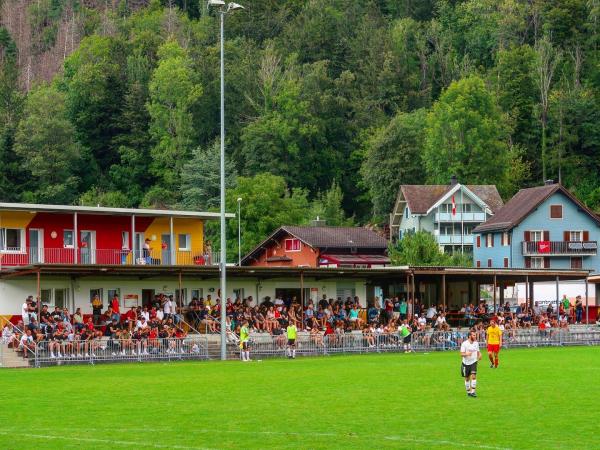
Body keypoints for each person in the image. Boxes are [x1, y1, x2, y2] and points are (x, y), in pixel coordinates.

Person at [460, 330, 481, 398]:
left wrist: (480, 355)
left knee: (474, 376)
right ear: (470, 336)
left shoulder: (476, 343)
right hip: (465, 363)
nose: (475, 336)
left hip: (473, 362)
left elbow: (478, 351)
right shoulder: (464, 344)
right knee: (467, 378)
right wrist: (466, 354)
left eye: (475, 335)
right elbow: (461, 354)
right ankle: (468, 392)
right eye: (474, 335)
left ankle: (473, 392)